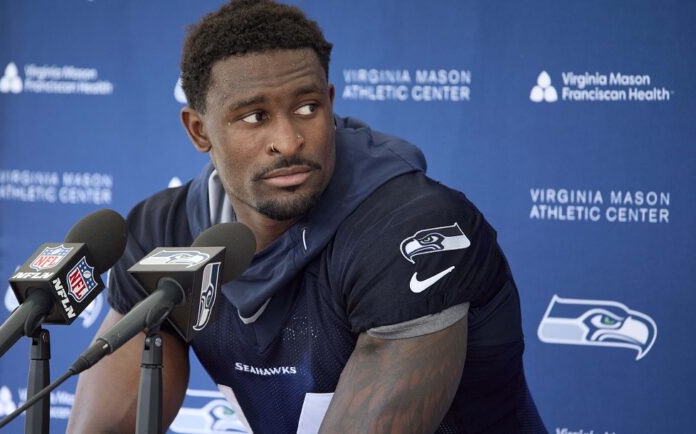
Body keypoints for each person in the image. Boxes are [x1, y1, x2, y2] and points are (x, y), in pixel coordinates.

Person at [67, 1, 547, 432]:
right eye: (254, 116)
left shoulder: (411, 227)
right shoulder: (165, 233)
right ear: (199, 130)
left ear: (331, 104)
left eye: (306, 107)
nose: (289, 140)